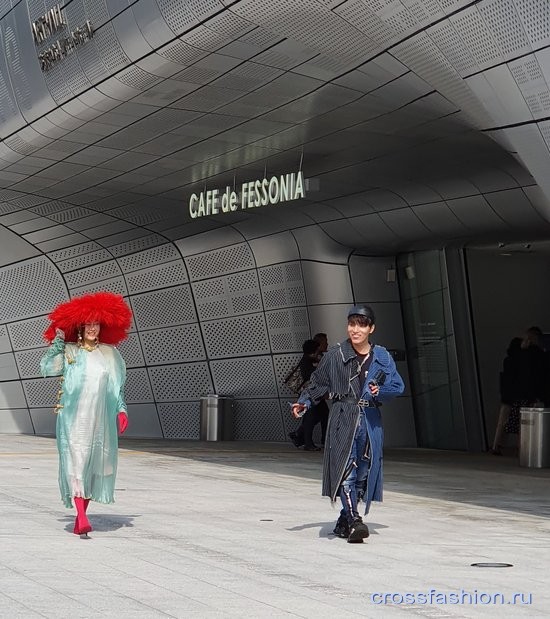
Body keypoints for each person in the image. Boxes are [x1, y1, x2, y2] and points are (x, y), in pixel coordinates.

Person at [291, 305, 404, 543]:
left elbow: (397, 386)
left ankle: (344, 520)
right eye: (352, 324)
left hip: (371, 420)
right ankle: (354, 520)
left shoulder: (382, 356)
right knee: (347, 468)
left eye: (361, 324)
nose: (355, 329)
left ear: (371, 328)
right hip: (344, 415)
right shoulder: (335, 355)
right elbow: (317, 383)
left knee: (364, 470)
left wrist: (379, 391)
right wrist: (303, 403)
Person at [40, 292, 132, 539]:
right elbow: (47, 370)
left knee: (97, 465)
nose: (93, 328)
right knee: (78, 463)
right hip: (74, 418)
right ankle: (81, 517)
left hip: (100, 419)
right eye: (89, 324)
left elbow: (116, 386)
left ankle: (82, 516)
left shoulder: (110, 355)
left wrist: (121, 409)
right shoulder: (70, 352)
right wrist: (57, 344)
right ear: (81, 327)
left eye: (96, 324)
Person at [491, 327, 546, 455]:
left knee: (503, 421)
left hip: (508, 394)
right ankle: (522, 449)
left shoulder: (510, 357)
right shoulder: (533, 356)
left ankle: (496, 446)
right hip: (522, 394)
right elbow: (533, 376)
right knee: (524, 423)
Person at [288, 339, 324, 451]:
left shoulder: (313, 359)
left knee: (322, 415)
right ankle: (307, 442)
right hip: (308, 394)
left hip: (314, 393)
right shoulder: (307, 361)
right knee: (311, 417)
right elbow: (309, 375)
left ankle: (298, 435)